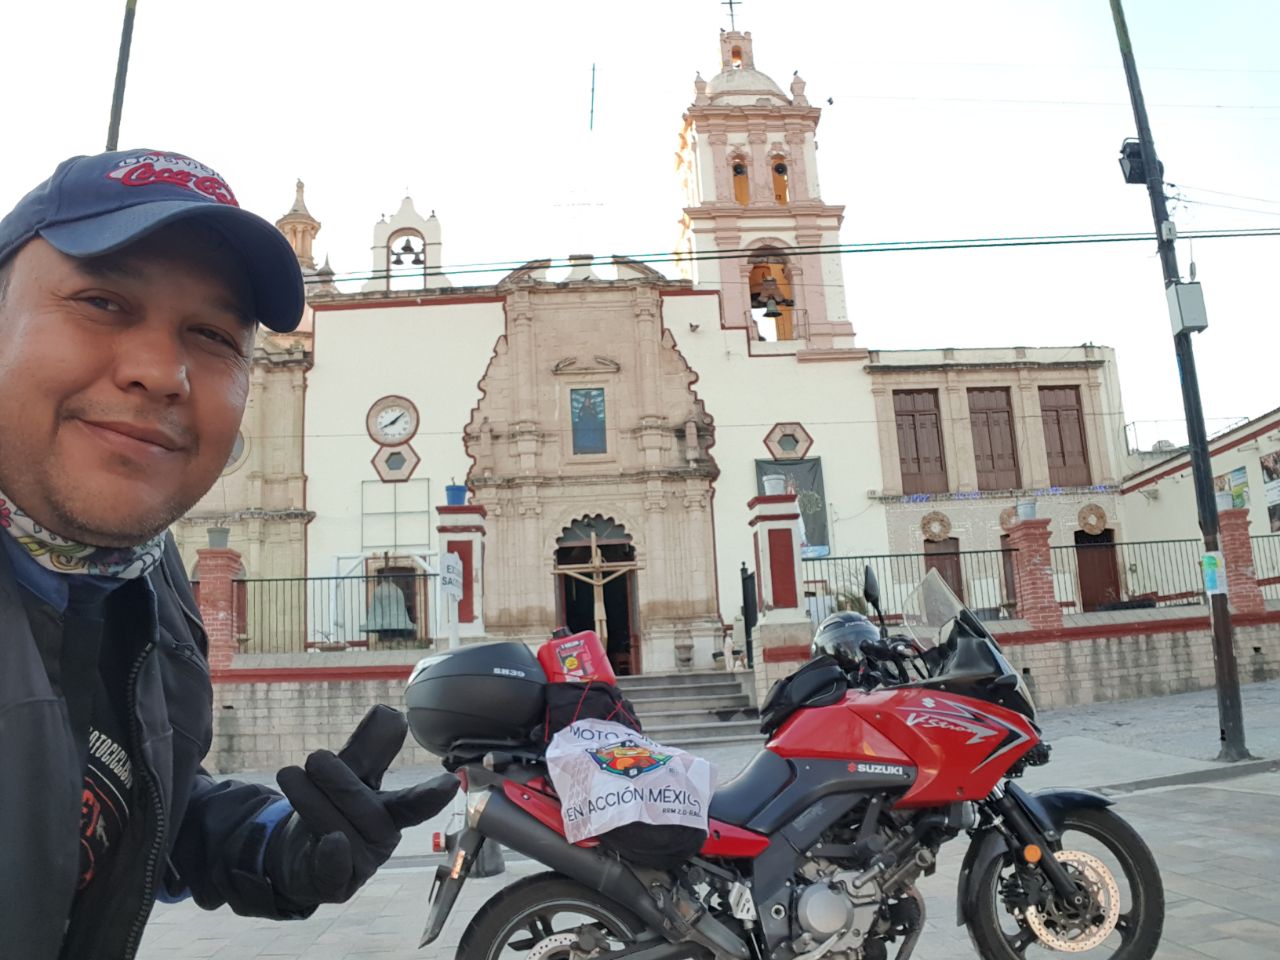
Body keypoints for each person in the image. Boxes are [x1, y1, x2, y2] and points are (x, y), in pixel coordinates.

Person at [0, 149, 459, 960]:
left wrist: (276, 844)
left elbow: (131, 805)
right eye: (102, 300)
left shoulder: (146, 576)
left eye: (211, 334)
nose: (161, 372)